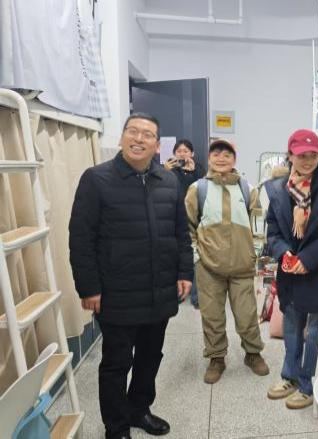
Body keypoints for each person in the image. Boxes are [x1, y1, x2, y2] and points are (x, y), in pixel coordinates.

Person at [69, 113, 193, 439]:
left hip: (159, 289)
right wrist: (89, 287)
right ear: (122, 137)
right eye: (133, 131)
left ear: (157, 145)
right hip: (117, 292)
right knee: (116, 363)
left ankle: (140, 409)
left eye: (147, 134)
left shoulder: (169, 181)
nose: (139, 139)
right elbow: (81, 238)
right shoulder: (96, 179)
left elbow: (181, 232)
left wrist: (184, 271)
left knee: (150, 357)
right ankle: (116, 426)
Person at [264, 129, 318, 410]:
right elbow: (273, 230)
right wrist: (284, 253)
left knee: (315, 330)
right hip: (290, 270)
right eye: (302, 155)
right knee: (291, 324)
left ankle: (308, 384)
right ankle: (289, 376)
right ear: (290, 155)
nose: (308, 160)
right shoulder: (279, 188)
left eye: (313, 155)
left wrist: (308, 259)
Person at [185, 138, 269, 384]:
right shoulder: (197, 189)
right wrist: (196, 256)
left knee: (246, 315)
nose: (221, 158)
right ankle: (216, 358)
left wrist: (255, 253)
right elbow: (187, 226)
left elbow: (258, 224)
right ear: (209, 158)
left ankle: (253, 353)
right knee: (212, 316)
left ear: (234, 159)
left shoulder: (247, 189)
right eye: (216, 153)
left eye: (227, 154)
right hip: (208, 267)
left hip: (242, 266)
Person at [165, 139, 204, 309]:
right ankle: (178, 293)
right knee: (174, 256)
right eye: (179, 151)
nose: (182, 154)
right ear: (174, 154)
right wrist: (166, 171)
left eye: (186, 151)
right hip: (173, 217)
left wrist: (193, 173)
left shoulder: (199, 169)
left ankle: (196, 296)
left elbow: (201, 191)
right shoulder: (168, 170)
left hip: (196, 219)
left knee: (196, 256)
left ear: (192, 153)